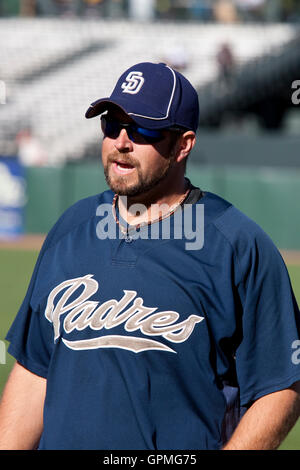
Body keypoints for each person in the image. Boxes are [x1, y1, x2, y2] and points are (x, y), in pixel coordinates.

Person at [0, 62, 300, 451]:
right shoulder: (70, 228)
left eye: (142, 129)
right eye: (112, 125)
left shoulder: (236, 245)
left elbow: (282, 385)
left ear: (183, 144)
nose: (121, 141)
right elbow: (35, 369)